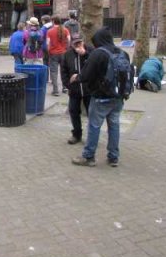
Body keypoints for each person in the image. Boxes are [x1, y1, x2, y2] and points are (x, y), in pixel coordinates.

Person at [72, 27, 130, 167]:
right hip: (118, 97)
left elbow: (86, 75)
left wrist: (76, 77)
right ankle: (113, 157)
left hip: (100, 97)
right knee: (114, 126)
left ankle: (88, 156)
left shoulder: (98, 54)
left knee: (94, 126)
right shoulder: (123, 53)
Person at [61, 34, 92, 145]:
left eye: (80, 42)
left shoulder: (91, 51)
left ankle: (92, 137)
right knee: (73, 111)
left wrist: (85, 54)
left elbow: (95, 66)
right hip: (74, 89)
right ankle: (76, 134)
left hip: (88, 89)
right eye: (75, 43)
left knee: (91, 113)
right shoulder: (67, 55)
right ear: (72, 44)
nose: (78, 45)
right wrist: (68, 85)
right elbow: (63, 72)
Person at [46, 16, 70, 96]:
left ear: (53, 21)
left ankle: (55, 90)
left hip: (53, 53)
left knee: (54, 72)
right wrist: (66, 49)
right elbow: (69, 41)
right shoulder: (66, 30)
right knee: (64, 71)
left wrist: (49, 51)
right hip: (63, 53)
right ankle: (65, 88)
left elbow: (47, 43)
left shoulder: (50, 31)